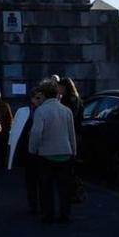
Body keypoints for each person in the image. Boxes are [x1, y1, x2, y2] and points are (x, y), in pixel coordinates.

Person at [29, 79, 77, 223]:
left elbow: (36, 133)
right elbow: (71, 133)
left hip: (46, 154)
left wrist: (33, 149)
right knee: (64, 188)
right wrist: (73, 151)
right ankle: (65, 214)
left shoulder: (41, 111)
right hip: (65, 153)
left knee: (46, 187)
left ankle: (48, 214)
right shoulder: (66, 110)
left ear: (43, 94)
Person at [8, 88, 45, 213]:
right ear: (32, 99)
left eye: (41, 98)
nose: (39, 101)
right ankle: (33, 204)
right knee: (31, 179)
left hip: (43, 150)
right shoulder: (25, 112)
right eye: (37, 98)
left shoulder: (45, 111)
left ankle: (40, 203)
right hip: (29, 150)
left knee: (42, 179)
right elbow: (16, 131)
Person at [57, 77, 85, 204]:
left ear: (65, 87)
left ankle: (75, 192)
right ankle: (75, 191)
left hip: (71, 134)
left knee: (69, 165)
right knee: (71, 165)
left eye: (60, 87)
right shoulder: (75, 99)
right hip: (75, 133)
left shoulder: (69, 100)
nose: (58, 89)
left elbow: (70, 118)